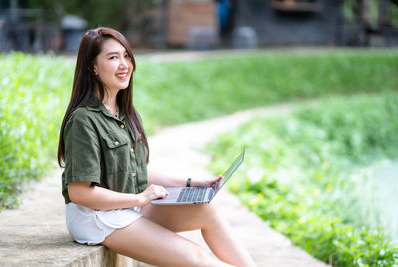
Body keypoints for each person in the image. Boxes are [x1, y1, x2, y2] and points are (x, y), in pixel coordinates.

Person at [57, 27, 255, 267]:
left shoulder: (124, 113)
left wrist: (191, 183)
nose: (124, 64)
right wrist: (139, 199)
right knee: (197, 258)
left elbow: (135, 172)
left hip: (127, 206)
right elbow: (80, 193)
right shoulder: (83, 120)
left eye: (126, 56)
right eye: (112, 57)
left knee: (208, 211)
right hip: (97, 216)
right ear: (92, 67)